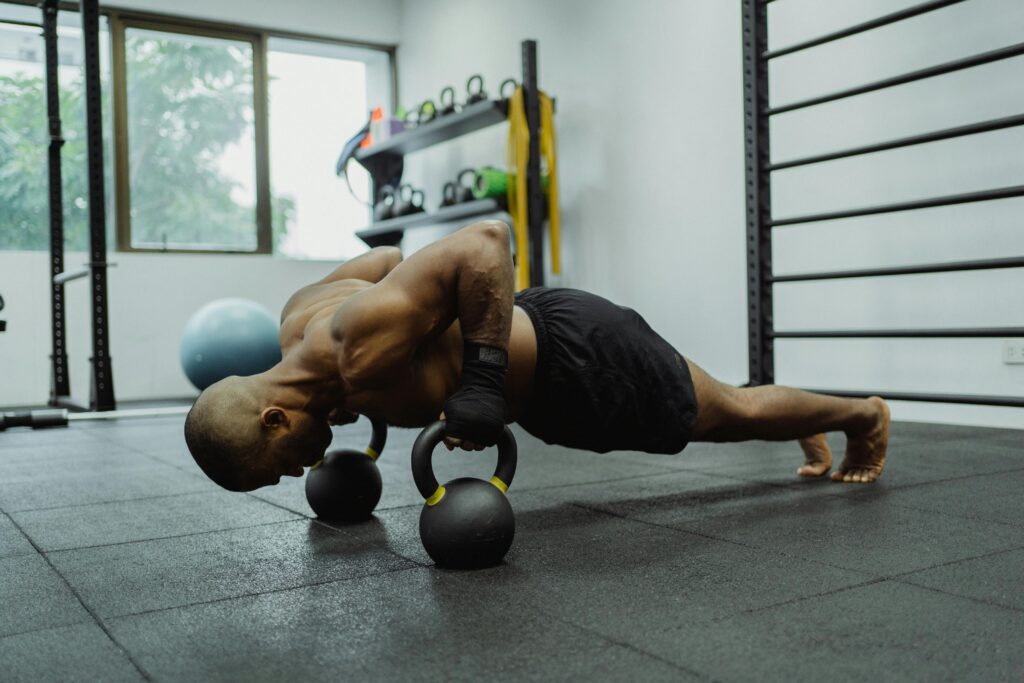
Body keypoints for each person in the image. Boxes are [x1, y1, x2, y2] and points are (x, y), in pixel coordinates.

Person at [184, 221, 890, 492]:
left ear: (275, 418)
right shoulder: (296, 317)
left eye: (280, 466)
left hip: (580, 357)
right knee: (722, 409)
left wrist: (481, 380)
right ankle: (797, 416)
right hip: (553, 386)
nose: (300, 470)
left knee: (723, 414)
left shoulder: (352, 341)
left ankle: (862, 414)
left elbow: (484, 241)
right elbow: (390, 257)